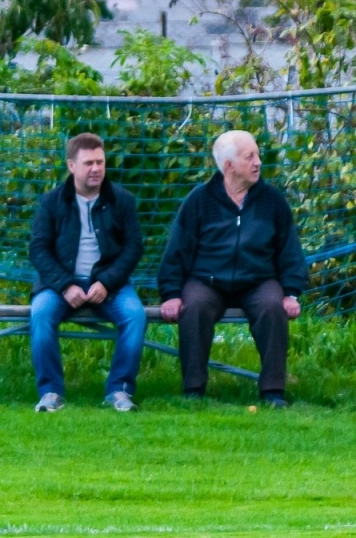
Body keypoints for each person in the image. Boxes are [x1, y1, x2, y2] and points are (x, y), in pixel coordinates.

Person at [157, 130, 308, 407]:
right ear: (229, 166)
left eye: (258, 155)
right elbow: (177, 251)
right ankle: (193, 390)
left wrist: (291, 293)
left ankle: (273, 392)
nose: (258, 162)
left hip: (258, 281)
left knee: (272, 308)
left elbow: (290, 251)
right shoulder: (199, 200)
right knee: (194, 308)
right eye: (249, 156)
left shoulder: (272, 201)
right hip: (207, 281)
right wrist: (171, 293)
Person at [26, 132, 145, 413]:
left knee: (135, 315)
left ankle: (119, 391)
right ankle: (51, 393)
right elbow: (38, 249)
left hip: (109, 285)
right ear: (71, 166)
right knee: (40, 313)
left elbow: (134, 248)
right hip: (59, 286)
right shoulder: (51, 201)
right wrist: (65, 285)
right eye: (89, 163)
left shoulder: (122, 200)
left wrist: (106, 281)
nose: (96, 169)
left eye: (100, 162)